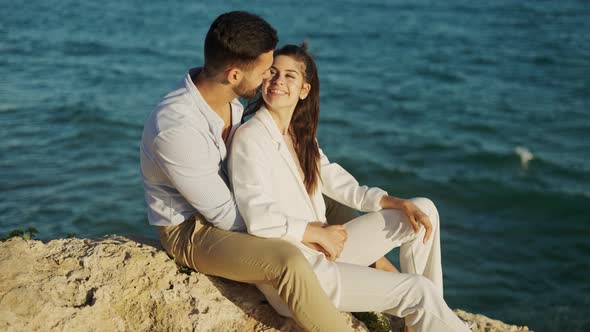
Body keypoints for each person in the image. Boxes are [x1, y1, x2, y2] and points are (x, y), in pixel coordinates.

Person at [228, 43, 473, 332]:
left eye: (289, 76)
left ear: (304, 89)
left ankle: (427, 319)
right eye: (273, 72)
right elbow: (257, 217)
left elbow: (339, 182)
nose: (279, 81)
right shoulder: (250, 138)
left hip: (325, 250)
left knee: (423, 211)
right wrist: (316, 232)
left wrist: (393, 201)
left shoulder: (298, 136)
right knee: (417, 290)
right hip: (299, 273)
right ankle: (440, 319)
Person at [140, 12, 355, 331]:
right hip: (193, 229)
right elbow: (225, 216)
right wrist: (298, 231)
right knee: (289, 261)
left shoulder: (231, 101)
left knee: (333, 204)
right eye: (266, 70)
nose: (271, 76)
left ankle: (382, 277)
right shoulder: (176, 128)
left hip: (238, 205)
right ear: (235, 74)